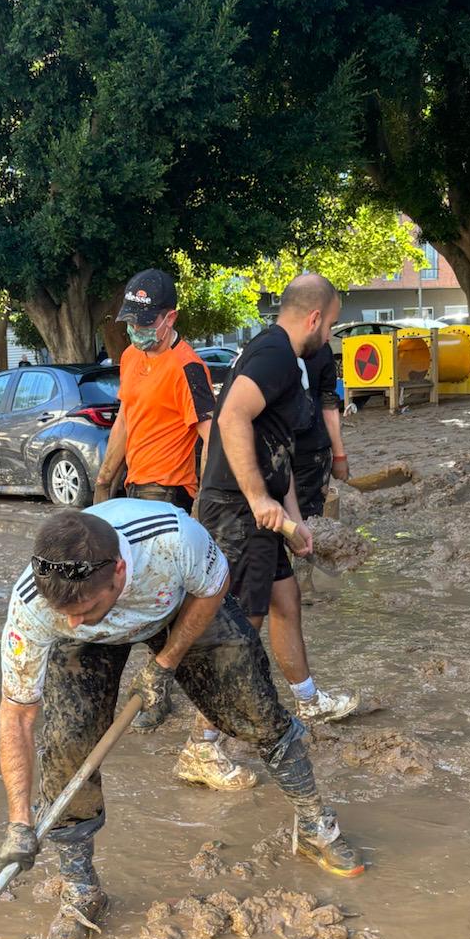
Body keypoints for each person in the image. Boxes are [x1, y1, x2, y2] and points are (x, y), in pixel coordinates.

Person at [0, 503, 364, 939]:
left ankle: (315, 827)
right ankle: (81, 891)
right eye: (64, 611)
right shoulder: (34, 606)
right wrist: (19, 820)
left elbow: (215, 587)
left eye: (85, 606)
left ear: (118, 570)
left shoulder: (173, 540)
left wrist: (164, 663)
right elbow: (17, 714)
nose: (71, 619)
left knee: (254, 708)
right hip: (87, 647)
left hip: (177, 607)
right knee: (66, 746)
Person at [94, 267, 254, 791]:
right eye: (131, 321)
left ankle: (165, 690)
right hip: (133, 489)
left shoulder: (188, 368)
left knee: (164, 600)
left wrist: (212, 507)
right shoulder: (130, 358)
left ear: (170, 318)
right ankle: (158, 686)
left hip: (170, 496)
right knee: (133, 595)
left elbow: (211, 439)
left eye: (146, 322)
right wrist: (103, 480)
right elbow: (125, 419)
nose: (137, 330)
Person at [198, 274, 357, 723]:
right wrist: (257, 499)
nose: (329, 336)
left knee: (285, 603)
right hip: (238, 511)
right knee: (240, 628)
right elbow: (230, 417)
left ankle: (308, 702)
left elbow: (277, 447)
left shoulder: (285, 357)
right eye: (330, 326)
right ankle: (202, 743)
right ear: (313, 318)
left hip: (265, 512)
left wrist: (292, 518)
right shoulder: (275, 356)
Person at [292, 339, 349, 522]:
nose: (329, 335)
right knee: (308, 520)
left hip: (283, 449)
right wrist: (339, 455)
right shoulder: (320, 348)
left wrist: (339, 456)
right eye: (329, 326)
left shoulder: (265, 346)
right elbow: (328, 403)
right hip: (309, 450)